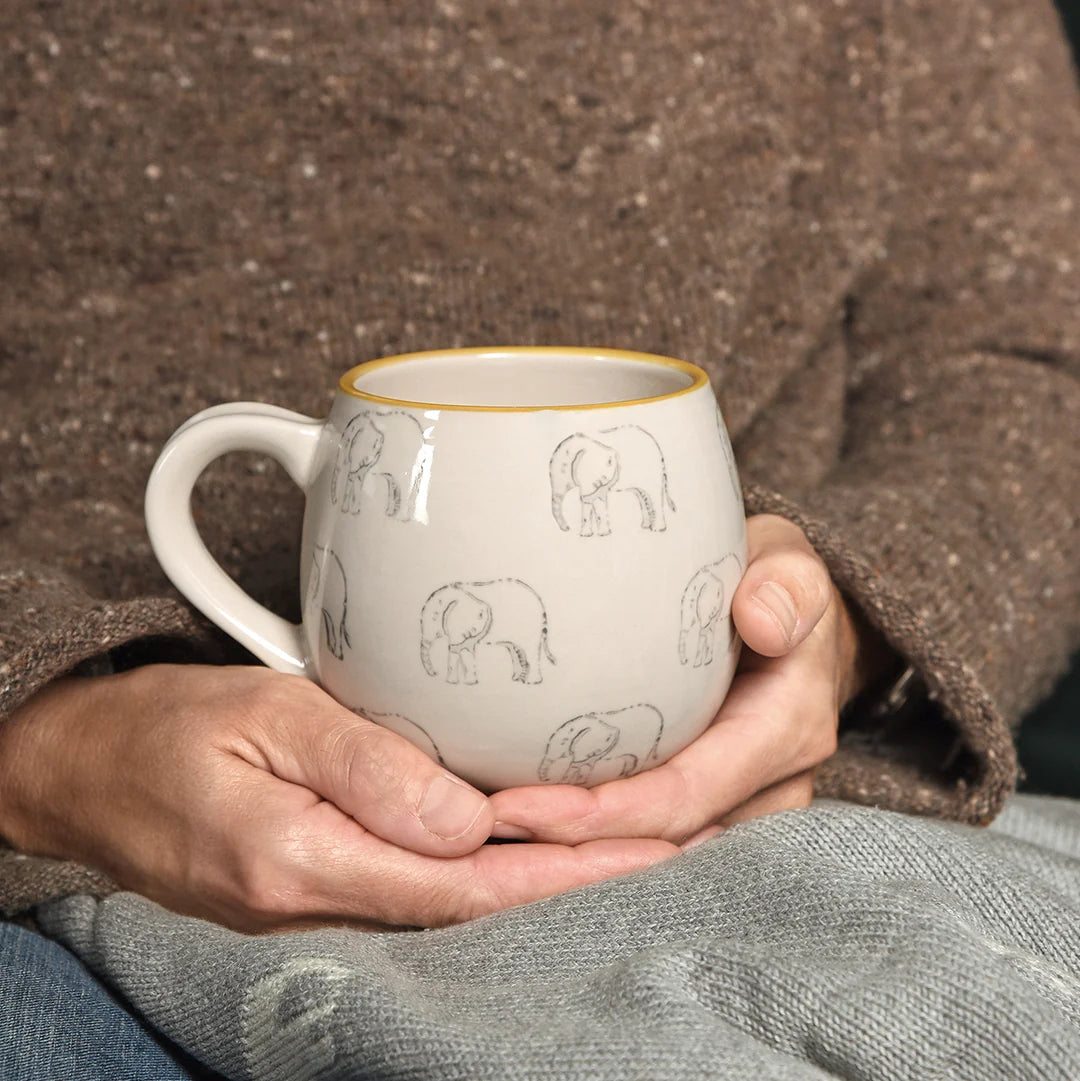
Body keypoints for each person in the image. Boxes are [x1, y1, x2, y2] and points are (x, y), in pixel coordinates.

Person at [1, 0, 1078, 1076]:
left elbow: (1025, 375)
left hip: (762, 808)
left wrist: (843, 623)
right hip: (69, 877)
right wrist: (43, 739)